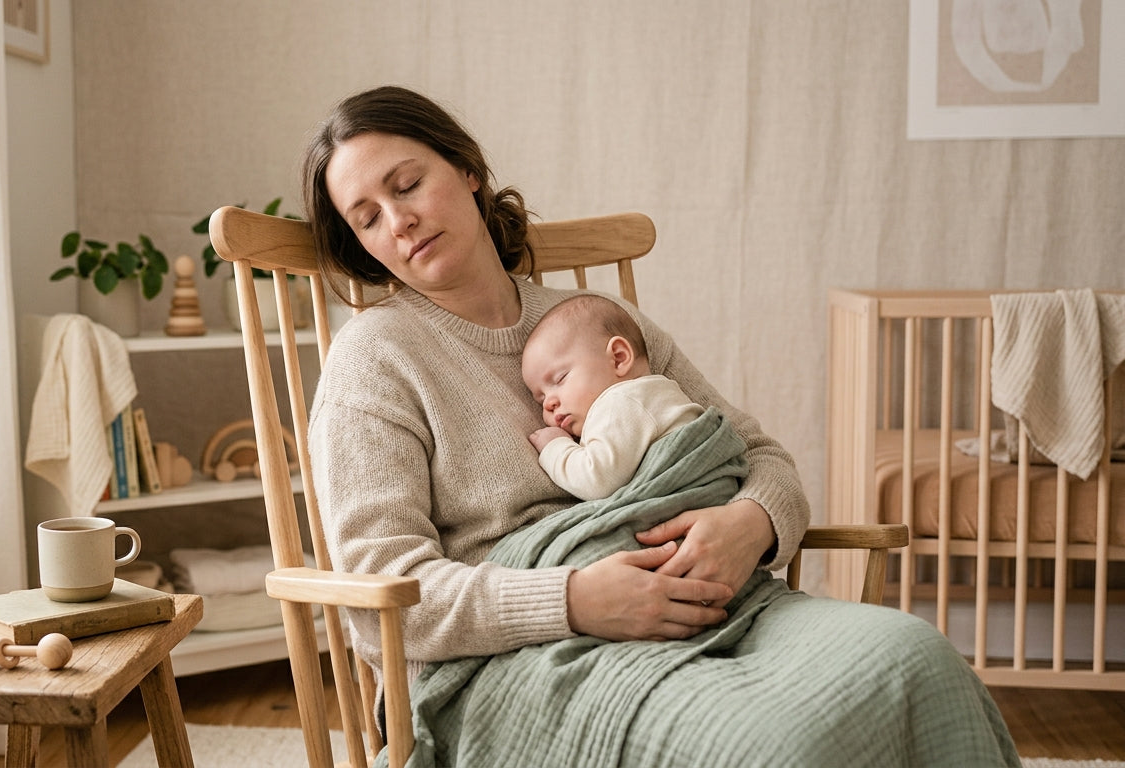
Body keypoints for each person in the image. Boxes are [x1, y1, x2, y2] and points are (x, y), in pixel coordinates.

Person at [302, 85, 1018, 765]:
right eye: (366, 217)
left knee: (914, 658)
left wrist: (750, 525)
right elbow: (383, 599)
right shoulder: (374, 361)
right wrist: (576, 599)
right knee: (770, 746)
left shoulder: (596, 325)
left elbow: (756, 454)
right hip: (519, 655)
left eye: (406, 185)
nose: (397, 221)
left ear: (467, 171)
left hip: (713, 602)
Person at [522, 293, 706, 500]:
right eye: (540, 399)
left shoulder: (621, 402)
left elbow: (595, 481)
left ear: (618, 358)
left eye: (560, 378)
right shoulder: (655, 394)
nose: (549, 403)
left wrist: (555, 447)